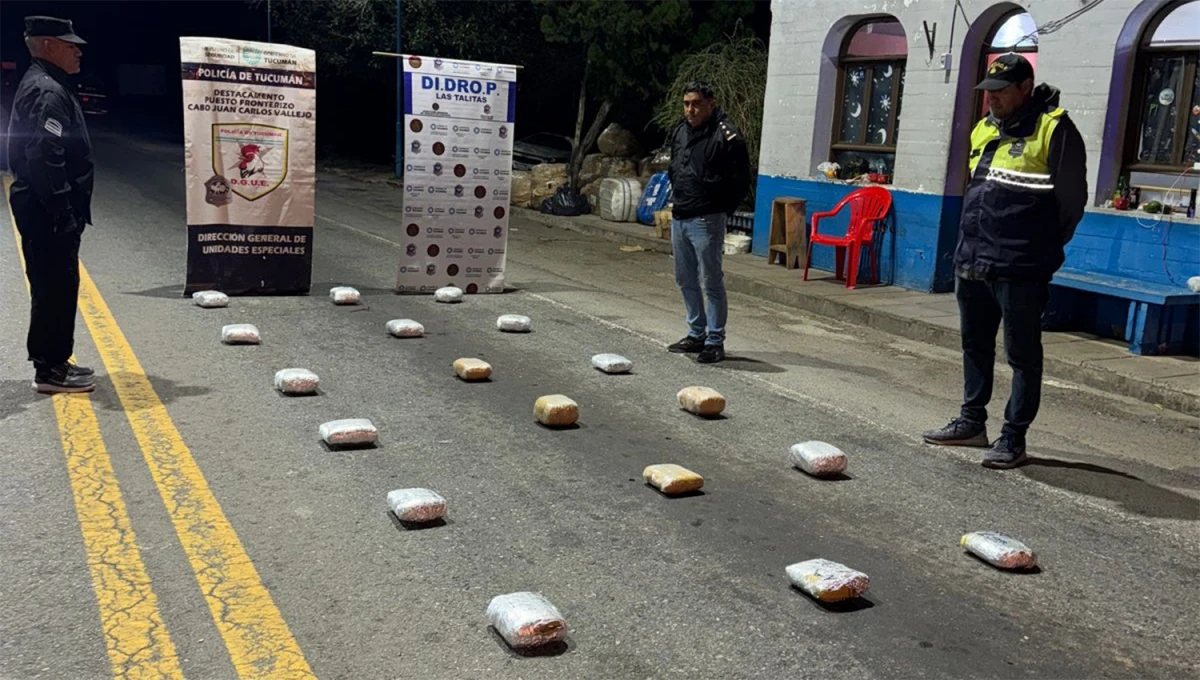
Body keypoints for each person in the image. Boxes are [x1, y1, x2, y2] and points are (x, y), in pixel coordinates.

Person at [923, 53, 1087, 469]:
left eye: (1000, 91)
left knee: (1023, 356)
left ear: (1024, 89)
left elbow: (1071, 204)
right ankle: (971, 422)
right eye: (988, 92)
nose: (991, 99)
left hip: (1020, 266)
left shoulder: (1054, 129)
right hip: (973, 260)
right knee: (974, 346)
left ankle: (1013, 437)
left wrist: (1041, 250)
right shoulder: (984, 129)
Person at [6, 16, 95, 393]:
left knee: (60, 285)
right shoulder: (47, 91)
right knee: (51, 286)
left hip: (46, 205)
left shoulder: (51, 84)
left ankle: (57, 359)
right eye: (69, 43)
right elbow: (45, 153)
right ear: (46, 45)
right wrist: (61, 210)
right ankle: (48, 370)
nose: (78, 50)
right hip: (47, 208)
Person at [665, 81, 751, 364]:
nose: (690, 109)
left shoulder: (726, 136)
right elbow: (675, 168)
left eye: (696, 103)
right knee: (684, 278)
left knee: (710, 280)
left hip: (706, 218)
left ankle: (715, 340)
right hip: (681, 215)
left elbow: (741, 179)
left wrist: (722, 209)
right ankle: (696, 333)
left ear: (711, 104)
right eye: (687, 103)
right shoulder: (679, 131)